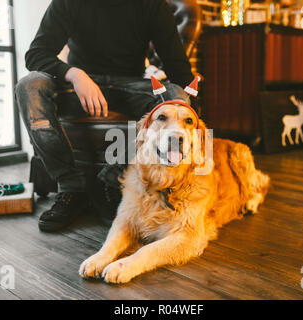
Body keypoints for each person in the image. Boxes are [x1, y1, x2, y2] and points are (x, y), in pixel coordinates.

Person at [15, 0, 194, 232]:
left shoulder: (153, 5)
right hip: (80, 88)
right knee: (29, 86)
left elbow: (177, 66)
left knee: (177, 96)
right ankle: (71, 187)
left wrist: (189, 98)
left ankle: (111, 180)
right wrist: (74, 74)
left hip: (130, 85)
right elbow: (36, 54)